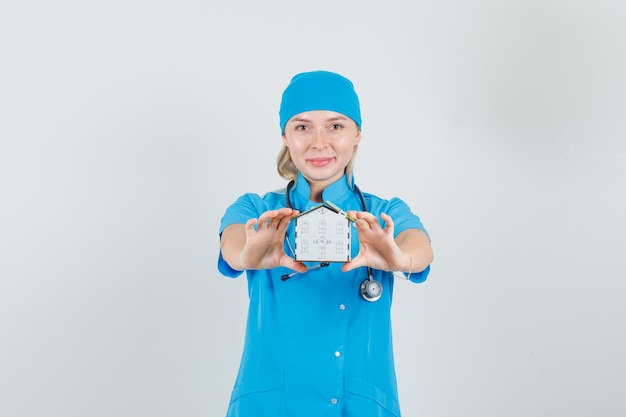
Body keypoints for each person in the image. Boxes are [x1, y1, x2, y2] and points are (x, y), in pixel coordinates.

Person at [218, 70, 434, 417]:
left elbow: (419, 248)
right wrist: (247, 255)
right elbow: (233, 243)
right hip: (269, 405)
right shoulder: (256, 210)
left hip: (358, 404)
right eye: (302, 127)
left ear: (357, 134)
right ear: (285, 137)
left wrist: (399, 258)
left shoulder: (384, 214)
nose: (319, 142)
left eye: (335, 126)